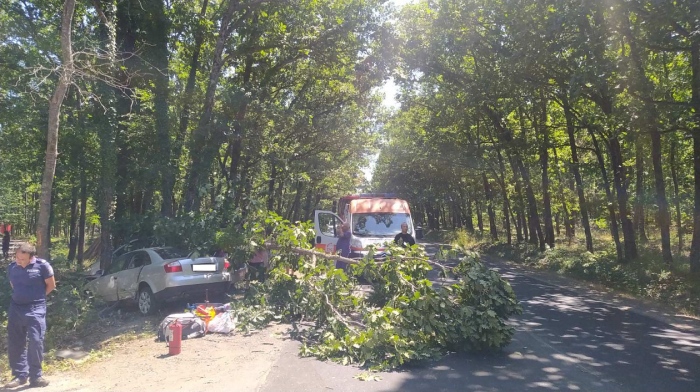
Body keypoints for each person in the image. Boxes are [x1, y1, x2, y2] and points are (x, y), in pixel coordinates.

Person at [5, 242, 55, 388]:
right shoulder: (12, 267)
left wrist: (37, 298)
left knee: (35, 340)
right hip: (16, 308)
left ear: (31, 257)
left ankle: (36, 376)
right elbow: (14, 285)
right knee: (15, 343)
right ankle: (20, 375)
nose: (19, 261)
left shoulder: (42, 266)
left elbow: (51, 285)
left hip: (36, 308)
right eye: (17, 258)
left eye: (22, 259)